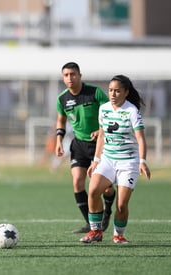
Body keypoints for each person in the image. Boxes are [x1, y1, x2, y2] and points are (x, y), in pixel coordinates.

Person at [80, 75, 151, 244]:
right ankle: (96, 231)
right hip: (108, 159)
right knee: (93, 191)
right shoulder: (104, 108)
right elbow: (102, 135)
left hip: (128, 162)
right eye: (111, 90)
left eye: (117, 91)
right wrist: (96, 160)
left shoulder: (132, 111)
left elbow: (141, 139)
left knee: (121, 205)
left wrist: (142, 161)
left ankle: (118, 234)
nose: (113, 94)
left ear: (126, 93)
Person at [55, 62, 116, 233]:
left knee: (106, 188)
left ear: (80, 76)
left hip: (100, 145)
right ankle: (90, 223)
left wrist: (100, 130)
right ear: (63, 78)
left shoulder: (94, 92)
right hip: (79, 145)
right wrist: (59, 140)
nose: (70, 78)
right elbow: (61, 120)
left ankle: (107, 211)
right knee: (77, 182)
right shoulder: (62, 99)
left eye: (73, 74)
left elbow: (111, 111)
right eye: (66, 75)